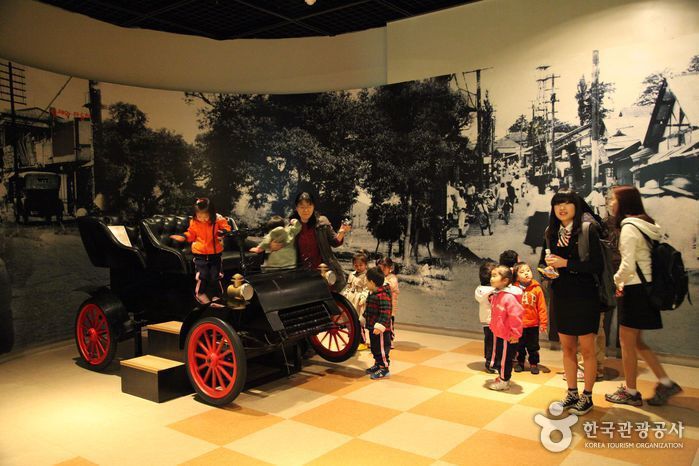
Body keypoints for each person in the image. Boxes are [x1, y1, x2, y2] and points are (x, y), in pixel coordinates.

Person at [604, 186, 683, 407]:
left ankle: (631, 392)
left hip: (633, 290)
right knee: (636, 341)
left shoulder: (629, 228)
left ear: (624, 202)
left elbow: (627, 265)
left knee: (627, 343)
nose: (610, 203)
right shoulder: (646, 224)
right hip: (646, 288)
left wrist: (614, 281)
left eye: (613, 199)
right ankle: (666, 382)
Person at [539, 190, 603, 415]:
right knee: (567, 348)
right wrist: (546, 271)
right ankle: (572, 392)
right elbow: (543, 263)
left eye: (567, 203)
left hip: (585, 295)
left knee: (587, 350)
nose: (562, 208)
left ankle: (588, 396)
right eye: (557, 204)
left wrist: (566, 263)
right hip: (561, 294)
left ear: (576, 206)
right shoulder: (551, 232)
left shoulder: (587, 230)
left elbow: (597, 266)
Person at [271, 191, 351, 291]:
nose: (306, 210)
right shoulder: (292, 227)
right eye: (302, 207)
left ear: (313, 207)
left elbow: (335, 242)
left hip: (323, 271)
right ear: (296, 208)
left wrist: (342, 232)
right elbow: (283, 244)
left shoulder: (322, 222)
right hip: (301, 274)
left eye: (309, 206)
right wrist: (274, 245)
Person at [170, 198, 231, 304]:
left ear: (212, 213)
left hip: (215, 254)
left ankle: (217, 296)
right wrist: (184, 236)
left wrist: (223, 232)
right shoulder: (194, 221)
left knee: (216, 276)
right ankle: (200, 294)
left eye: (205, 217)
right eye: (199, 216)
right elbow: (191, 233)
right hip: (200, 254)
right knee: (203, 275)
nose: (202, 219)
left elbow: (227, 227)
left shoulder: (218, 219)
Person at [486, 265, 524, 391]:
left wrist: (515, 334)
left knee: (505, 359)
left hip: (508, 335)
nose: (491, 278)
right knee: (500, 356)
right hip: (499, 332)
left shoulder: (509, 297)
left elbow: (516, 316)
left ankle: (504, 380)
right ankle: (502, 377)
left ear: (505, 280)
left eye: (494, 276)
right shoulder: (498, 293)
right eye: (491, 275)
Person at [513, 262, 547, 374]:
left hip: (533, 324)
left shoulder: (537, 289)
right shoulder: (514, 289)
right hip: (519, 324)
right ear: (517, 277)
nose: (526, 273)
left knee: (533, 346)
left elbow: (542, 307)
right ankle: (520, 362)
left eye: (528, 270)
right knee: (519, 346)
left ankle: (533, 363)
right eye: (522, 272)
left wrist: (543, 323)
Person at [362, 267, 393, 380]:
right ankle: (378, 364)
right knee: (375, 348)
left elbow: (386, 312)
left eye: (367, 281)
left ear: (372, 282)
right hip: (372, 327)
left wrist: (380, 325)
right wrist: (363, 317)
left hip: (381, 330)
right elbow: (369, 309)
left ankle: (384, 368)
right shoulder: (373, 293)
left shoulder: (383, 295)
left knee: (382, 349)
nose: (365, 283)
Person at [343, 252, 371, 350]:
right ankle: (352, 339)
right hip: (350, 298)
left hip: (359, 300)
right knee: (350, 319)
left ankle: (362, 341)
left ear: (365, 265)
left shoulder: (367, 275)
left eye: (360, 265)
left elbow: (367, 288)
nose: (358, 267)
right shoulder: (351, 274)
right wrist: (345, 294)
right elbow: (348, 286)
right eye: (356, 265)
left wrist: (363, 297)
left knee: (359, 321)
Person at [377, 257, 399, 346]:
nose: (382, 271)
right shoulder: (381, 277)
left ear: (390, 268)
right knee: (379, 323)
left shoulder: (392, 278)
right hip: (381, 305)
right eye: (380, 269)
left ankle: (390, 340)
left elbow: (389, 287)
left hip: (390, 306)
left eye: (384, 269)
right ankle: (379, 340)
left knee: (389, 324)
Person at [524, 185, 549, 255]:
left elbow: (532, 208)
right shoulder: (547, 197)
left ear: (538, 190)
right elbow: (550, 207)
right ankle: (546, 249)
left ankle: (534, 248)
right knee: (545, 232)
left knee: (534, 232)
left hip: (537, 216)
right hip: (545, 216)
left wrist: (528, 216)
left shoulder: (536, 198)